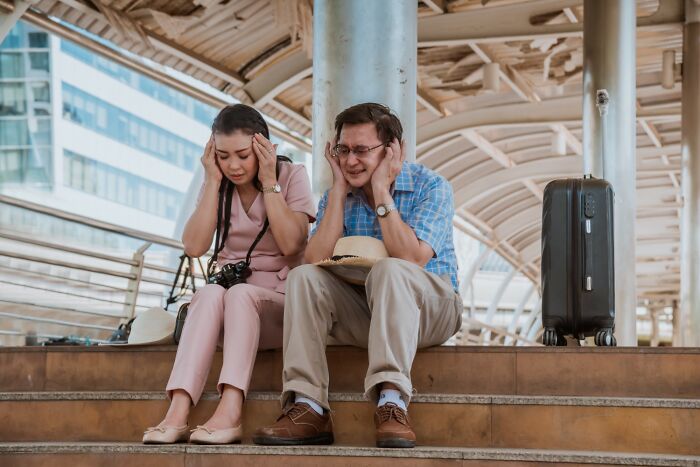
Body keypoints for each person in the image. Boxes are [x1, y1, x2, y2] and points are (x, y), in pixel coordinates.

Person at [254, 103, 462, 448]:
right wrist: (337, 191)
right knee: (304, 276)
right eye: (343, 150)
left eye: (362, 150)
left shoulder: (431, 186)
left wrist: (381, 191)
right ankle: (308, 406)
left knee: (392, 268)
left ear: (393, 149)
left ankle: (392, 401)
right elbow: (314, 259)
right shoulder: (339, 195)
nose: (350, 161)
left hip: (433, 309)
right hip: (369, 311)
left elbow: (411, 258)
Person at [143, 104, 315, 444]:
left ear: (263, 148)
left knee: (239, 294)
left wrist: (269, 182)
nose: (233, 165)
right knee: (207, 293)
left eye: (242, 155)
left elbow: (293, 243)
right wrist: (210, 180)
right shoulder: (218, 184)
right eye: (223, 156)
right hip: (226, 311)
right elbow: (193, 246)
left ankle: (231, 410)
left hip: (279, 308)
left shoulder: (291, 176)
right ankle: (177, 410)